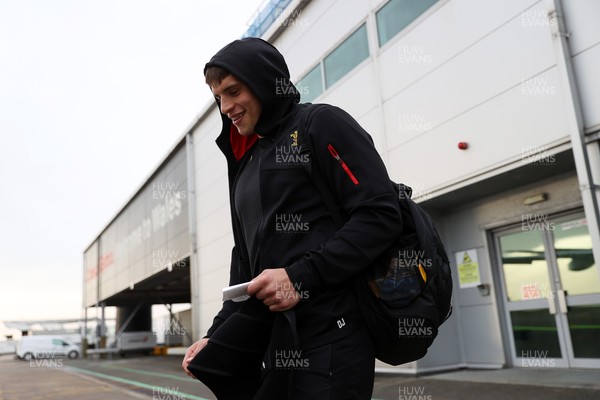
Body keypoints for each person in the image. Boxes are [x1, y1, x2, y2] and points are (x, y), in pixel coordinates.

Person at [181, 37, 402, 400]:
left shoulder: (320, 124)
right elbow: (245, 264)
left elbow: (380, 215)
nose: (226, 107)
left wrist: (299, 277)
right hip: (275, 345)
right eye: (218, 97)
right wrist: (215, 334)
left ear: (264, 81)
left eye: (233, 91)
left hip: (334, 335)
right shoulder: (246, 165)